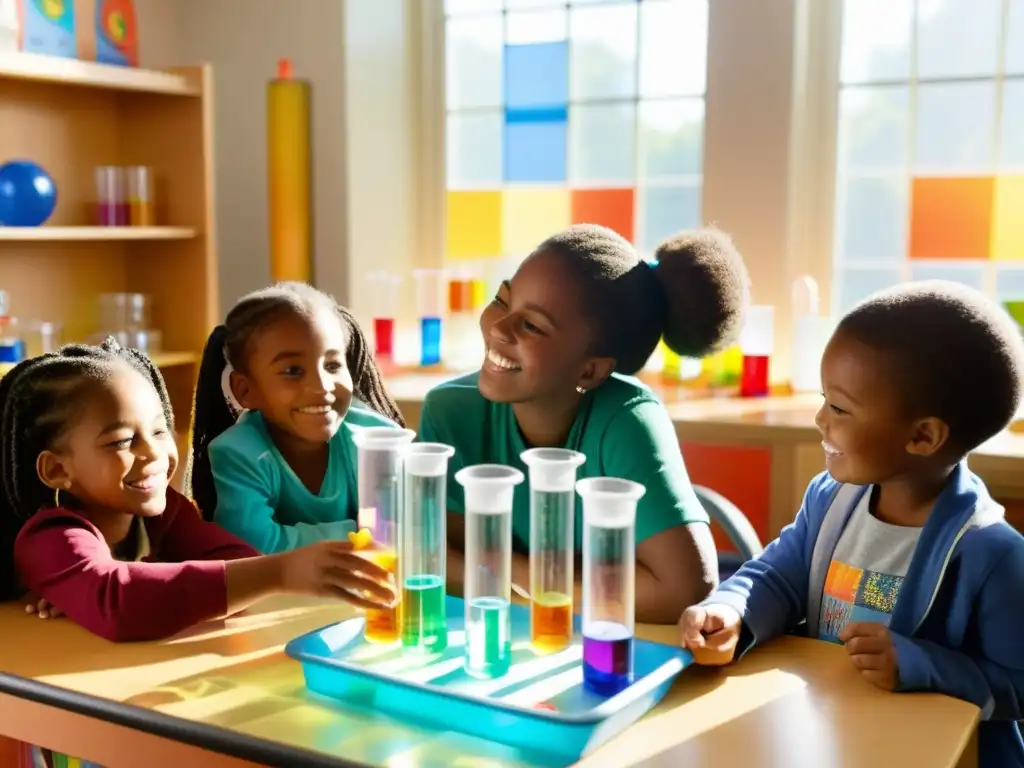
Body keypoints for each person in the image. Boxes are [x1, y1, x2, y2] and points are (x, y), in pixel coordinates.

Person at [679, 281, 1024, 768]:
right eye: (824, 399)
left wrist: (923, 666)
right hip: (833, 736)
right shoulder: (829, 498)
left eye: (839, 407)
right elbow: (776, 576)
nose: (821, 419)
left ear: (923, 436)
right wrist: (731, 611)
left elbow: (1017, 685)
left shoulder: (992, 553)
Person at [419, 224, 750, 624]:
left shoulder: (629, 421)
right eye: (502, 301)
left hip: (608, 647)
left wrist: (523, 580)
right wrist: (556, 588)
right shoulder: (451, 412)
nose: (497, 328)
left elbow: (685, 589)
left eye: (532, 325)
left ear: (591, 370)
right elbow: (436, 560)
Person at [1, 340, 395, 642]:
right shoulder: (49, 536)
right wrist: (283, 571)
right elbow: (119, 604)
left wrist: (107, 586)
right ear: (57, 469)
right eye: (122, 441)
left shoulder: (162, 513)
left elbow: (237, 556)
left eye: (159, 431)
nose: (153, 453)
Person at [187, 282, 406, 554]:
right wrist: (358, 533)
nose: (322, 386)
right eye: (293, 370)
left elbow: (397, 533)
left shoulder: (374, 439)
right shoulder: (238, 452)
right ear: (246, 390)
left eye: (332, 365)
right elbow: (251, 546)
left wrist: (374, 536)